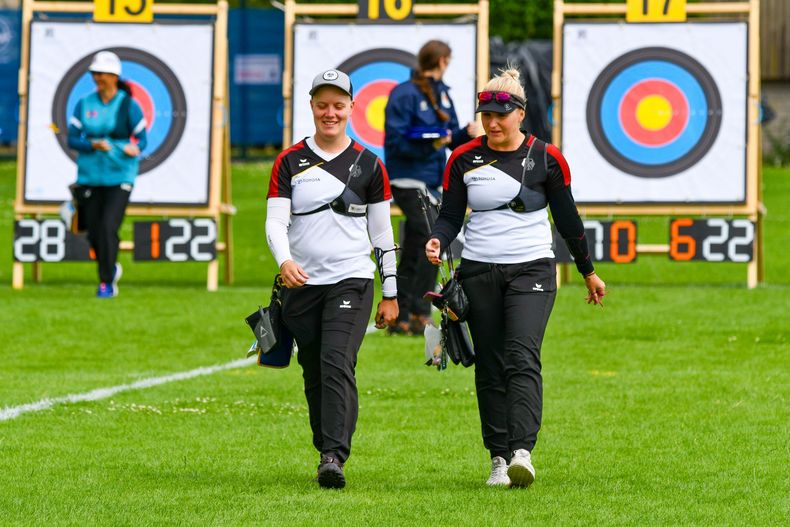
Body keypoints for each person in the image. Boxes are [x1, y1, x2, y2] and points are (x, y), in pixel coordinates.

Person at [425, 68, 607, 488]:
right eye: (485, 115)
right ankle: (499, 458)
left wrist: (588, 272)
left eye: (500, 116)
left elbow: (568, 219)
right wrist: (437, 239)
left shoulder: (547, 157)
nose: (491, 123)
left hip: (532, 268)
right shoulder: (463, 158)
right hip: (479, 270)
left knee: (522, 355)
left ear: (520, 115)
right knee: (489, 365)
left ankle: (523, 451)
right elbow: (451, 214)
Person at [265, 69, 399, 489]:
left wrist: (390, 292)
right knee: (313, 369)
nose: (330, 112)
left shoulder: (369, 165)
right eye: (322, 104)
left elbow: (382, 233)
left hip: (352, 280)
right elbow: (275, 222)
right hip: (301, 286)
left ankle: (333, 456)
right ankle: (324, 445)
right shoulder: (288, 161)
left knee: (336, 362)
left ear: (351, 108)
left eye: (338, 105)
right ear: (311, 106)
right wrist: (284, 261)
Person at [383, 40, 480, 335]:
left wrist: (468, 134)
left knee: (415, 246)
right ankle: (418, 311)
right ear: (442, 61)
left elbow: (449, 138)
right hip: (408, 179)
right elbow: (397, 141)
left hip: (432, 180)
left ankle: (401, 313)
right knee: (430, 239)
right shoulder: (404, 94)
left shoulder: (442, 94)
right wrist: (434, 142)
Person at [67, 51, 147, 298]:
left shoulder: (128, 104)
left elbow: (142, 140)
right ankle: (110, 266)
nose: (97, 78)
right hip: (90, 175)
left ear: (114, 76)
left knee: (108, 226)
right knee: (92, 230)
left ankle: (106, 282)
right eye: (94, 73)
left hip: (120, 174)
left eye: (101, 73)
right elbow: (72, 138)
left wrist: (135, 148)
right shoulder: (84, 103)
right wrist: (92, 145)